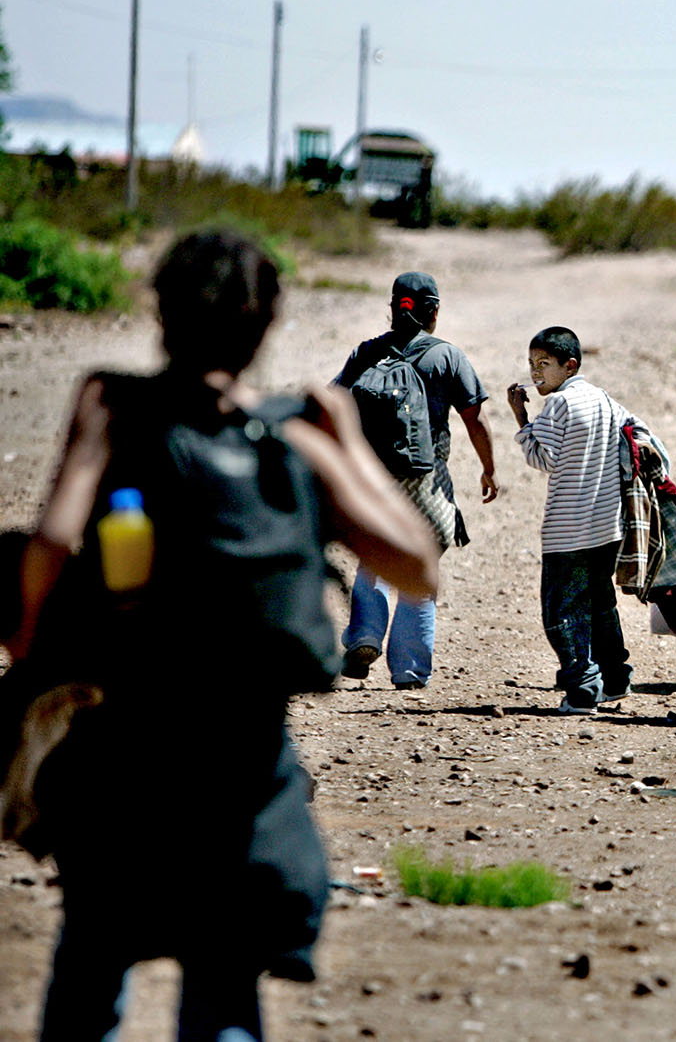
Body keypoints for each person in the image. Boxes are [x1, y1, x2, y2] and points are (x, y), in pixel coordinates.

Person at [8, 230, 439, 1041]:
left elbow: (56, 543)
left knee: (93, 962)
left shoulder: (112, 406)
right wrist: (345, 442)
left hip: (122, 746)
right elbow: (418, 565)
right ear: (267, 320)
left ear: (161, 310)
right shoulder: (295, 436)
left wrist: (31, 647)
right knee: (225, 983)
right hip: (244, 759)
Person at [332, 272, 497, 688]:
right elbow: (475, 418)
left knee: (373, 559)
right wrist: (488, 468)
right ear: (434, 312)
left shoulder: (366, 353)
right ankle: (408, 669)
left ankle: (365, 634)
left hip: (373, 476)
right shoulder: (448, 357)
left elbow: (333, 404)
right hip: (427, 476)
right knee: (420, 570)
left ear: (392, 308)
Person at [508, 326, 640, 715]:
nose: (535, 374)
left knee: (563, 609)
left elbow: (542, 459)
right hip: (606, 526)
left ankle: (582, 687)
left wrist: (521, 418)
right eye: (532, 364)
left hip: (568, 530)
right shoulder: (603, 399)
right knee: (601, 604)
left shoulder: (560, 404)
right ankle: (615, 678)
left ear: (569, 365)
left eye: (544, 365)